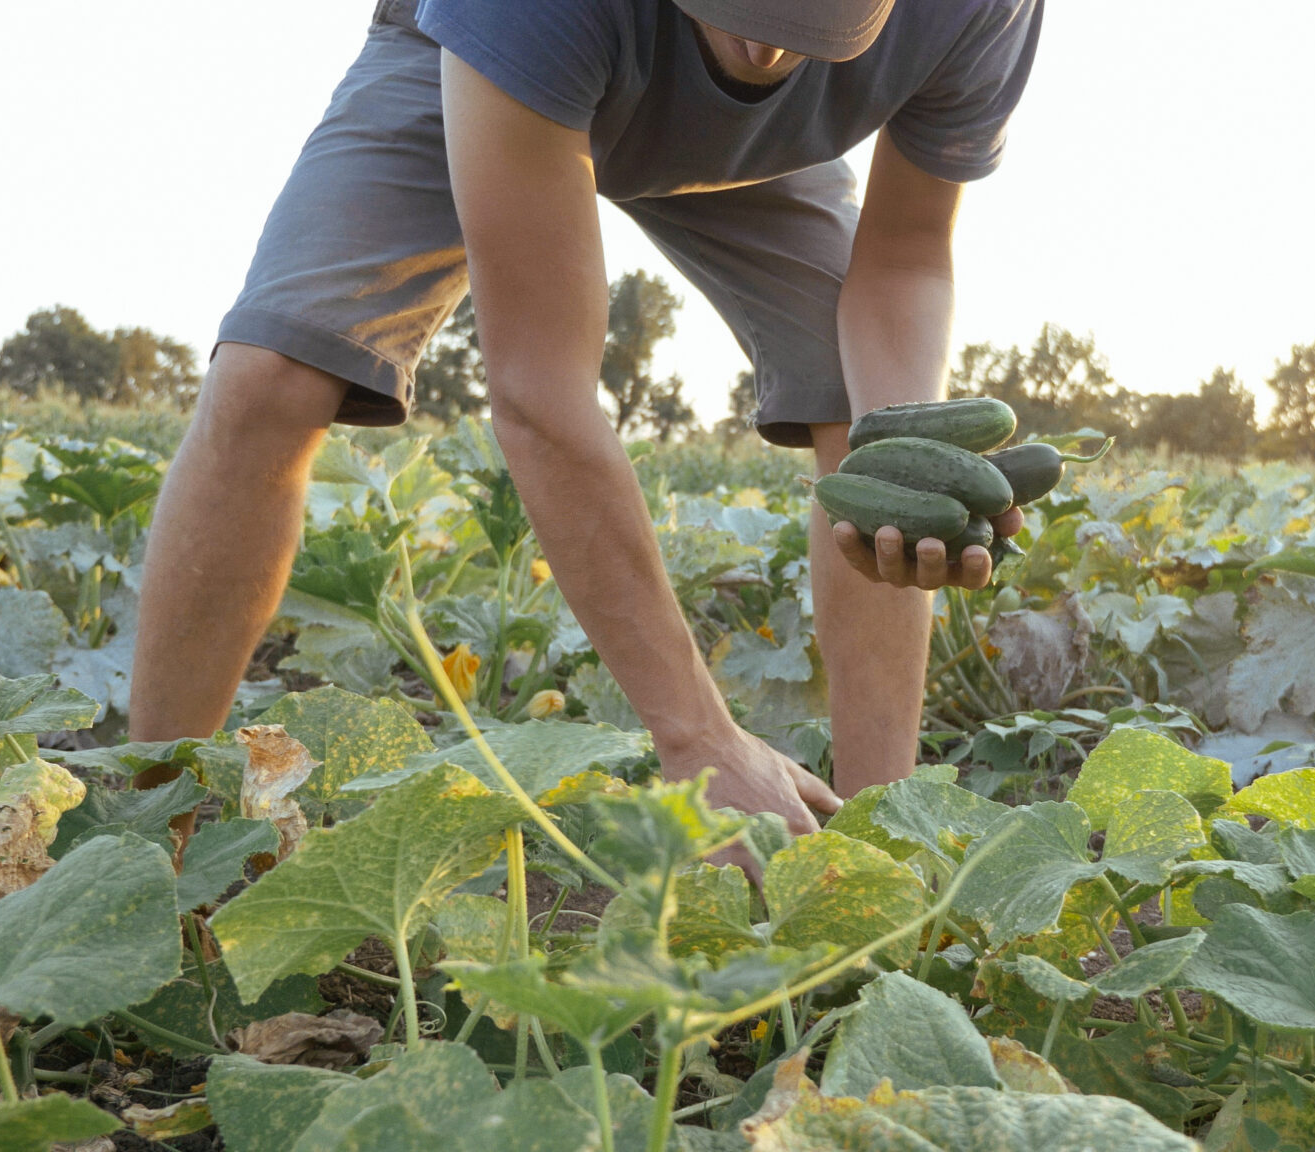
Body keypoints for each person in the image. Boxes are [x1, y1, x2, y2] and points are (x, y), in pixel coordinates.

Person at [127, 0, 1044, 841]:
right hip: (505, 53)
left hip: (750, 155)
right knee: (271, 376)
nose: (765, 49)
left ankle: (878, 836)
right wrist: (697, 736)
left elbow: (910, 253)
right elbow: (540, 387)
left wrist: (905, 465)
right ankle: (152, 828)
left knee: (868, 420)